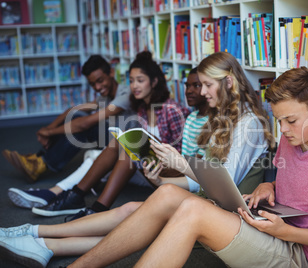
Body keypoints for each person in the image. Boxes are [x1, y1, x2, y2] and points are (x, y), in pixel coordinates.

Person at [64, 66, 308, 267]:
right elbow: (301, 185)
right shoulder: (290, 140)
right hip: (272, 231)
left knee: (194, 210)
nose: (283, 129)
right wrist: (269, 185)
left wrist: (288, 232)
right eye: (279, 120)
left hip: (298, 254)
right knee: (169, 193)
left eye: (291, 120)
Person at [0, 52, 273, 267]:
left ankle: (42, 239)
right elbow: (202, 184)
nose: (201, 92)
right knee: (134, 210)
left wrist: (180, 164)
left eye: (207, 85)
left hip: (227, 214)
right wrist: (164, 176)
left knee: (138, 220)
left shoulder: (249, 123)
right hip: (208, 201)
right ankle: (37, 234)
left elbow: (227, 182)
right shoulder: (220, 117)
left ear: (228, 83)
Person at [6, 67, 207, 210]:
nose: (133, 86)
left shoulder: (173, 111)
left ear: (154, 82)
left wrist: (48, 131)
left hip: (165, 171)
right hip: (147, 167)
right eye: (131, 80)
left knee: (120, 146)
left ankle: (79, 199)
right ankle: (61, 192)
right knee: (106, 149)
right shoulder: (143, 109)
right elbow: (76, 112)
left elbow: (181, 158)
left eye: (139, 80)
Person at [2, 55, 132, 182]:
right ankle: (37, 159)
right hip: (108, 139)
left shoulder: (125, 95)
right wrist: (49, 128)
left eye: (100, 80)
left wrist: (50, 132)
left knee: (85, 125)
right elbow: (74, 110)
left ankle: (41, 164)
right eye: (92, 84)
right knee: (75, 117)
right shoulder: (105, 96)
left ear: (111, 72)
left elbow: (85, 124)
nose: (97, 88)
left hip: (122, 145)